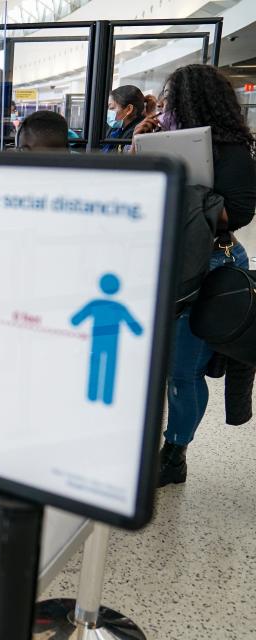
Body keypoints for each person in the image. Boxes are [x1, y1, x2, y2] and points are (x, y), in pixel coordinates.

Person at [133, 65, 256, 486]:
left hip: (210, 265)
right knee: (162, 366)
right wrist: (140, 146)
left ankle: (174, 453)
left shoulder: (233, 150)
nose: (166, 107)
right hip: (168, 263)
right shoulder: (161, 143)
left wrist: (183, 191)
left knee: (183, 370)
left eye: (172, 100)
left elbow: (237, 212)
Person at [102, 85, 144, 152]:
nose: (108, 112)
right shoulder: (116, 128)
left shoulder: (136, 133)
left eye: (111, 108)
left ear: (128, 109)